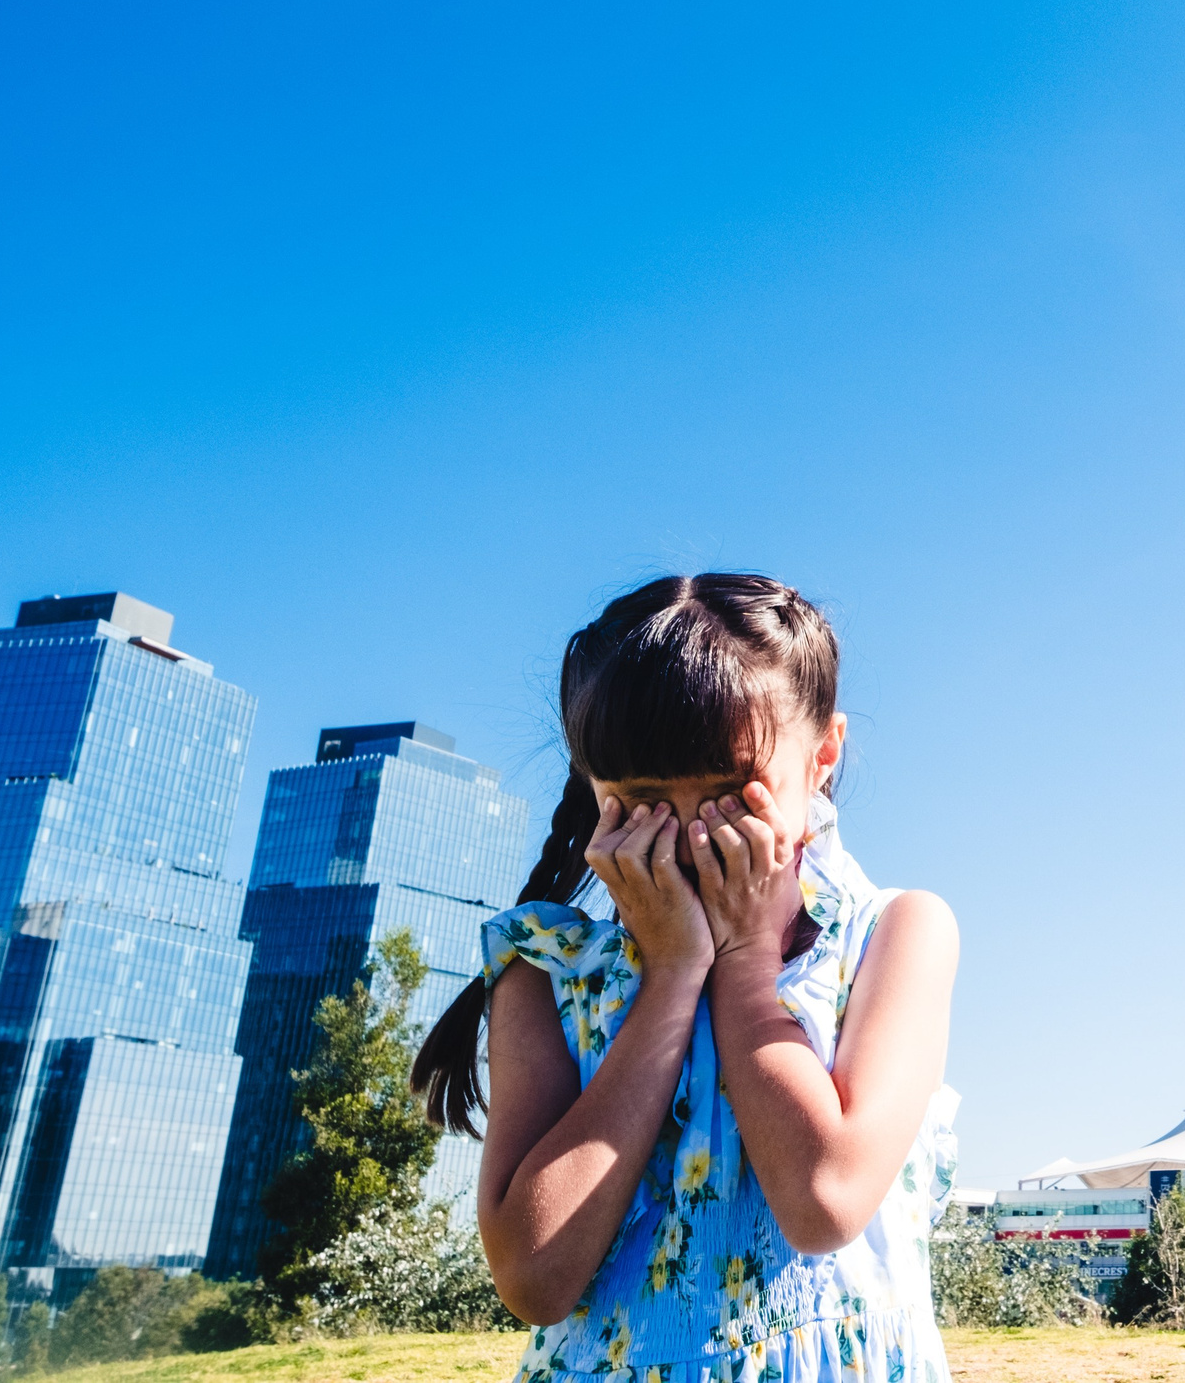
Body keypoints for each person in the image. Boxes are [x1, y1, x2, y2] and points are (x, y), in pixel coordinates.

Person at [410, 574, 962, 1383]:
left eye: (731, 796)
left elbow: (824, 1199)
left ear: (823, 759)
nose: (692, 838)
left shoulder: (894, 935)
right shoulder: (546, 973)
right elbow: (533, 1277)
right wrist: (671, 977)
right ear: (594, 789)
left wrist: (742, 966)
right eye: (643, 802)